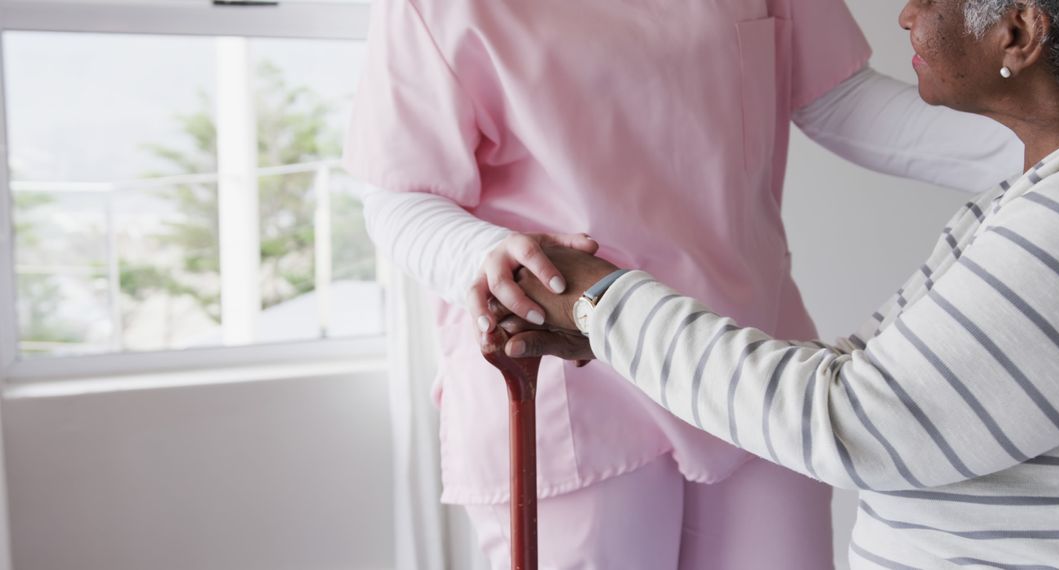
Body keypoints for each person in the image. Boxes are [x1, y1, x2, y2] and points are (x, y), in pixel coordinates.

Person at [342, 0, 1021, 566]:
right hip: (568, 375)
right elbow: (399, 194)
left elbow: (839, 100)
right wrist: (487, 254)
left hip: (753, 369)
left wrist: (1056, 148)